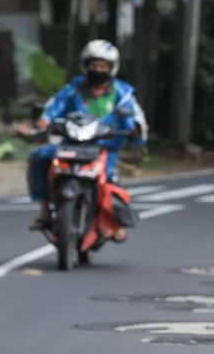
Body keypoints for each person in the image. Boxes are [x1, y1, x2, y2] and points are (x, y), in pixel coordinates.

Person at [26, 40, 148, 240]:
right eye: (94, 65)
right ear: (86, 65)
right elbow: (56, 105)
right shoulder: (74, 88)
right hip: (72, 145)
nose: (98, 70)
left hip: (104, 148)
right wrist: (44, 121)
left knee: (110, 179)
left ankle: (113, 222)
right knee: (40, 158)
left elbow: (135, 118)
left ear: (111, 68)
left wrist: (136, 129)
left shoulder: (123, 93)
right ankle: (44, 211)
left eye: (103, 66)